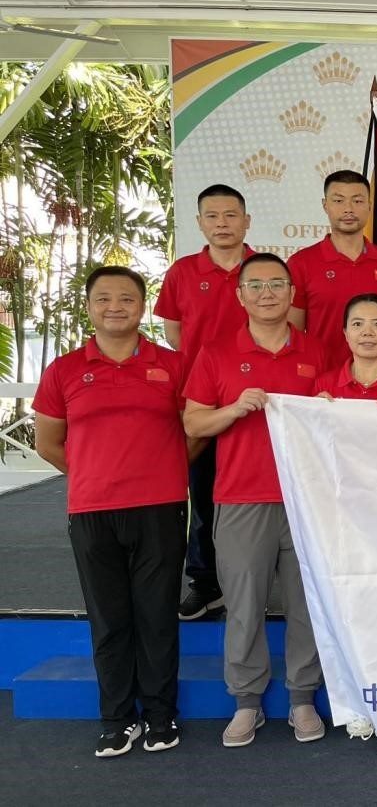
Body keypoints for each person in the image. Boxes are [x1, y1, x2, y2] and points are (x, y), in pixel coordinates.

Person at [33, 266, 190, 758]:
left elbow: (195, 431)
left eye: (126, 297)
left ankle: (161, 715)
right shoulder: (64, 370)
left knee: (157, 616)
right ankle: (118, 719)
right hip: (93, 510)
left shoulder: (173, 365)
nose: (115, 306)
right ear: (89, 307)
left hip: (160, 507)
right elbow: (48, 442)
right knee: (109, 618)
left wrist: (161, 469)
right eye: (103, 298)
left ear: (142, 306)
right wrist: (95, 473)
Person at [182, 252, 327, 748]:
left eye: (277, 284)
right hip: (242, 498)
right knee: (244, 606)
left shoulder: (317, 351)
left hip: (307, 501)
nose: (268, 294)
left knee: (307, 605)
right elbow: (193, 422)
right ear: (240, 295)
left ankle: (303, 697)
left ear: (292, 293)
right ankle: (247, 701)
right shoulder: (216, 353)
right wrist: (233, 409)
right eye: (257, 285)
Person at [154, 183, 255, 622]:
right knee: (203, 493)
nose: (222, 223)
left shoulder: (264, 270)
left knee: (260, 498)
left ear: (247, 221)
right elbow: (176, 334)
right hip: (202, 402)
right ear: (199, 223)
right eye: (212, 216)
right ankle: (205, 582)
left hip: (257, 402)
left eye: (231, 215)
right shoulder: (182, 272)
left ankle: (259, 581)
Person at [288, 170, 377, 369]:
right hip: (323, 378)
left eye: (357, 201)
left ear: (369, 206)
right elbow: (294, 334)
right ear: (325, 205)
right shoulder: (301, 264)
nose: (348, 209)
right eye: (339, 201)